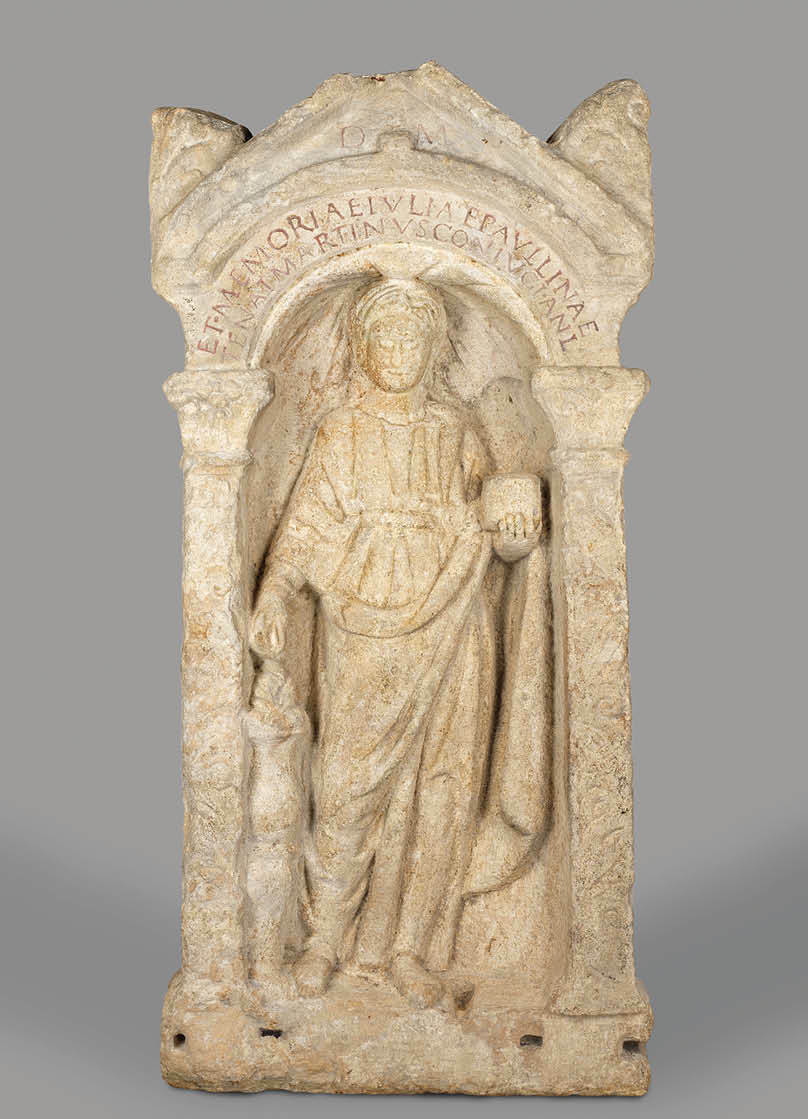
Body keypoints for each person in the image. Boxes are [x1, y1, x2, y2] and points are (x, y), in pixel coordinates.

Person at [249, 278, 541, 1007]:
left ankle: (409, 949)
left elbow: (500, 539)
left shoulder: (456, 432)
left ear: (433, 348)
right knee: (345, 785)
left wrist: (516, 530)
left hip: (454, 626)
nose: (400, 350)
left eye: (413, 337)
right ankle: (326, 939)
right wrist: (275, 591)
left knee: (441, 786)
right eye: (386, 336)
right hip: (362, 626)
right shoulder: (340, 432)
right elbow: (303, 526)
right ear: (364, 347)